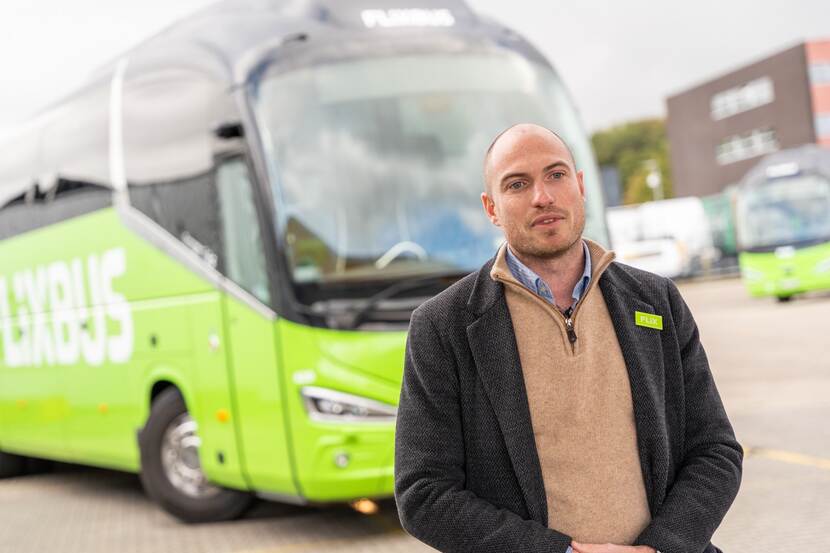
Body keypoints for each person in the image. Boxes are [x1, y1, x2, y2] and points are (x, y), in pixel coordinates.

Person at [394, 123, 742, 553]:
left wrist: (661, 547)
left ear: (580, 186)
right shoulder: (442, 327)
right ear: (492, 208)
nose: (543, 196)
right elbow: (423, 494)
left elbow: (715, 450)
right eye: (517, 184)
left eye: (556, 175)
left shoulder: (656, 301)